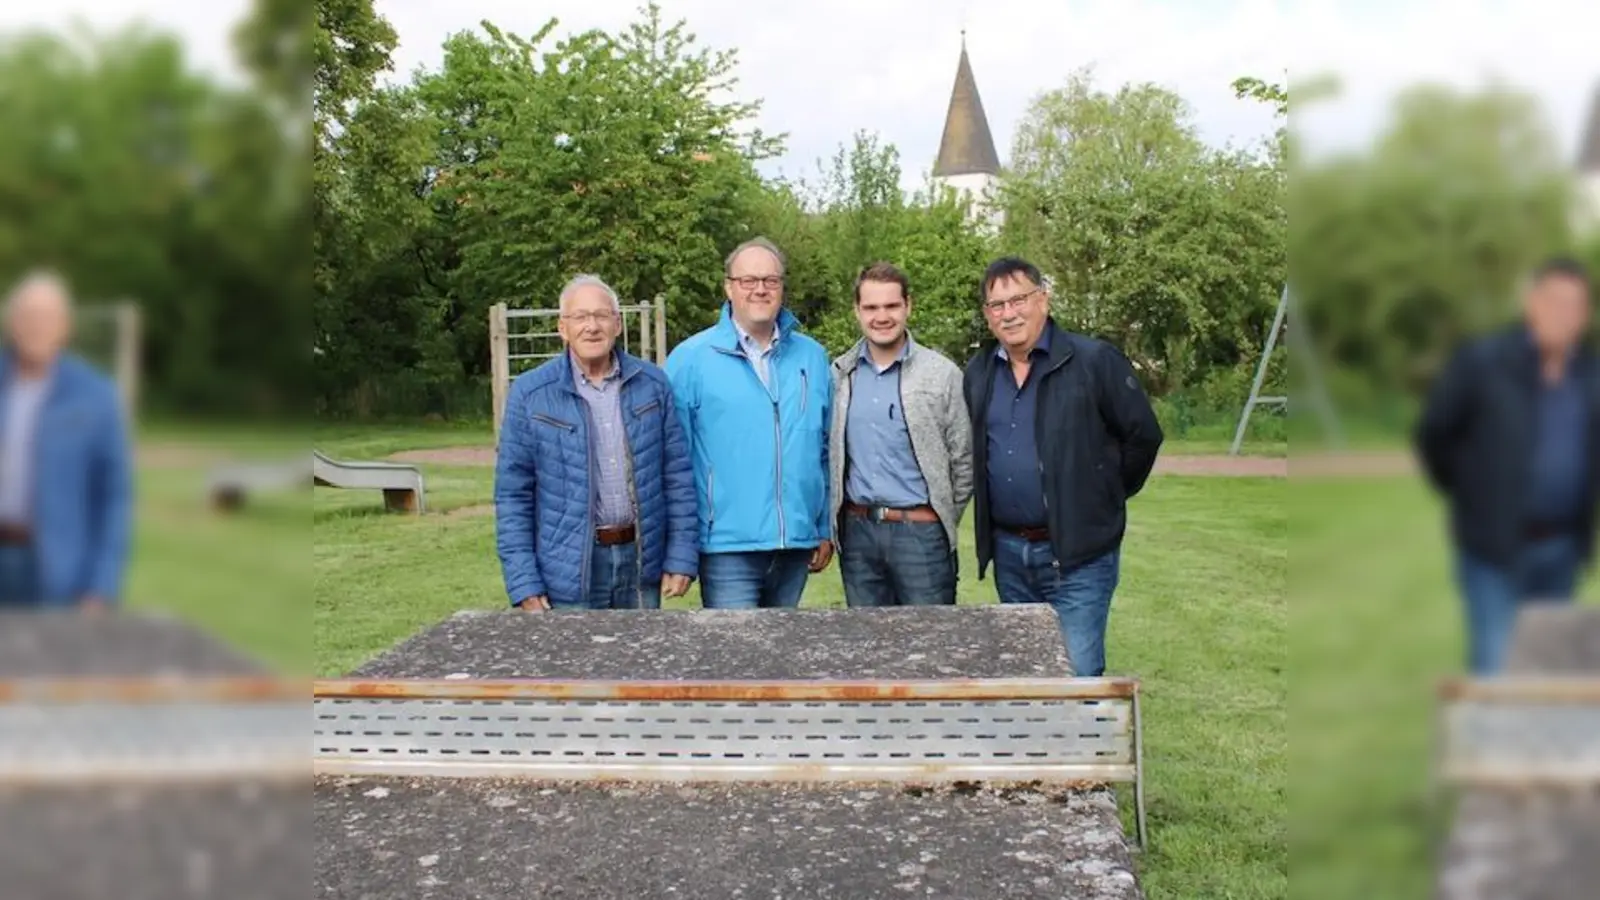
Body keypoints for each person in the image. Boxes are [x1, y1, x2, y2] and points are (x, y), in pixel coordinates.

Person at [963, 257, 1163, 676]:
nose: (1009, 313)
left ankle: (1084, 745)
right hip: (1011, 554)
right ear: (986, 315)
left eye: (1019, 299)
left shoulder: (1093, 362)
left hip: (1078, 555)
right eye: (996, 305)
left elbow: (1143, 436)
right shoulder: (980, 372)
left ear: (1044, 299)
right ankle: (1030, 746)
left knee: (1077, 673)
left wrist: (1101, 494)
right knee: (1023, 674)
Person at [1415, 256, 1599, 675]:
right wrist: (1474, 497)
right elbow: (1435, 436)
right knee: (1496, 670)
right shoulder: (1482, 362)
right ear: (1531, 303)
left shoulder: (1591, 374)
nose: (1563, 314)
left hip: (1561, 551)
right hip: (1493, 549)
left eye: (1575, 305)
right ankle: (1491, 742)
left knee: (1550, 671)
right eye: (1554, 301)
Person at [494, 274, 698, 611]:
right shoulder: (530, 395)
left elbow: (677, 476)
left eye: (602, 316)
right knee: (573, 665)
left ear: (617, 325)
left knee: (642, 662)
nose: (592, 326)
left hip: (639, 564)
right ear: (563, 328)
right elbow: (513, 494)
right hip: (568, 571)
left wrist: (680, 556)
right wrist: (523, 580)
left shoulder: (652, 385)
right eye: (580, 317)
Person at [665, 237, 833, 608]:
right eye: (748, 281)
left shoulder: (813, 358)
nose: (760, 289)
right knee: (736, 662)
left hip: (795, 545)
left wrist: (821, 528)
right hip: (727, 548)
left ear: (782, 287)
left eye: (770, 281)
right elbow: (673, 464)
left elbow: (822, 450)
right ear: (728, 287)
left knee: (783, 661)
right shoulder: (690, 361)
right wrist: (681, 547)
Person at [828, 262, 972, 607]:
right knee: (869, 651)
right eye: (871, 307)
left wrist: (936, 518)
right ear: (857, 311)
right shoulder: (839, 375)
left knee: (932, 648)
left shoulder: (942, 375)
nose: (882, 316)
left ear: (908, 305)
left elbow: (963, 461)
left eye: (891, 305)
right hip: (858, 533)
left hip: (921, 534)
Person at [0, 270, 133, 609]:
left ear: (65, 327)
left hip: (57, 574)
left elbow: (114, 497)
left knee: (48, 662)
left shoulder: (96, 395)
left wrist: (101, 585)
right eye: (28, 316)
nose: (36, 326)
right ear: (11, 323)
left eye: (47, 317)